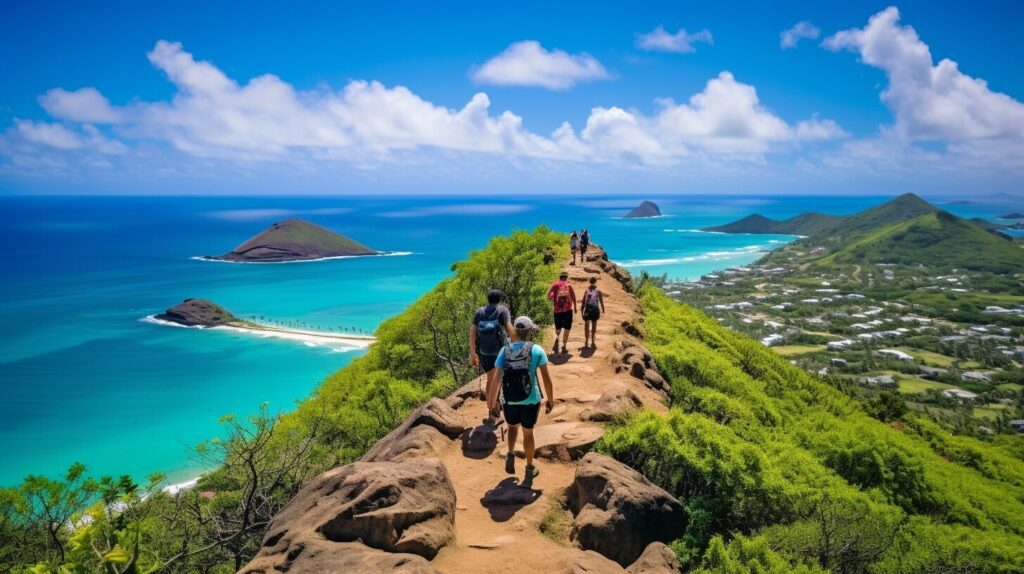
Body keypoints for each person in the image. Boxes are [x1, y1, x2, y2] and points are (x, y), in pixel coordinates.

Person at [487, 316, 554, 486]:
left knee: (511, 427)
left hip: (509, 400)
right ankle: (529, 468)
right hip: (531, 399)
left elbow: (496, 378)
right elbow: (546, 378)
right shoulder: (537, 350)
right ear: (530, 331)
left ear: (515, 332)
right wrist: (550, 400)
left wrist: (492, 403)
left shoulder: (505, 350)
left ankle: (510, 454)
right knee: (528, 433)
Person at [469, 289, 515, 394]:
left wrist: (473, 354)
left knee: (490, 379)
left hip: (484, 352)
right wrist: (518, 345)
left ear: (488, 299)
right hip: (500, 351)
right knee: (501, 377)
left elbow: (472, 333)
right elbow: (510, 329)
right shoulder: (503, 310)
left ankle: (491, 406)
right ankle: (497, 401)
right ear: (499, 299)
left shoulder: (479, 312)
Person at [547, 271, 577, 354]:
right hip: (567, 310)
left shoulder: (554, 285)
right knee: (567, 328)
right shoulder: (569, 285)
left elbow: (548, 296)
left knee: (558, 327)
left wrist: (553, 297)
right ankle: (564, 346)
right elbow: (573, 297)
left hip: (557, 310)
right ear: (566, 278)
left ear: (559, 277)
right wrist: (575, 307)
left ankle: (557, 338)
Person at [581, 277, 605, 348]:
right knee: (594, 326)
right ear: (596, 282)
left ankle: (586, 342)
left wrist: (582, 310)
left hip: (588, 309)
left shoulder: (587, 290)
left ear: (590, 282)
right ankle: (593, 342)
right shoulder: (598, 291)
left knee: (586, 326)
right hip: (595, 309)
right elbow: (601, 301)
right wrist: (603, 309)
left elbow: (583, 302)